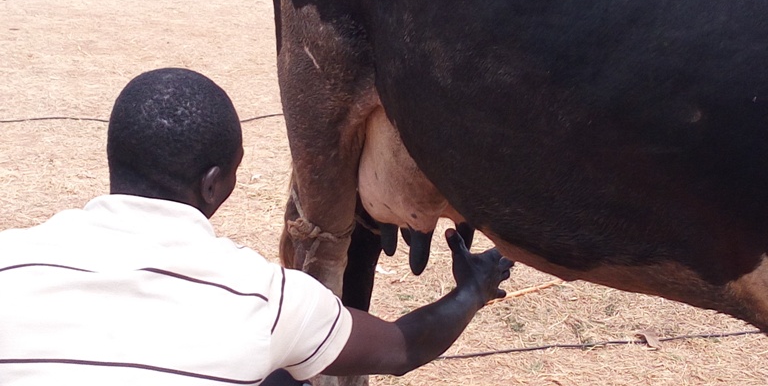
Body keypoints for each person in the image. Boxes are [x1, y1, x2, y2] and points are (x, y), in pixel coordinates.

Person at [0, 68, 514, 385]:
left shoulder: (10, 259)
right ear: (213, 185)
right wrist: (473, 288)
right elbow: (403, 348)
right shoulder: (263, 299)